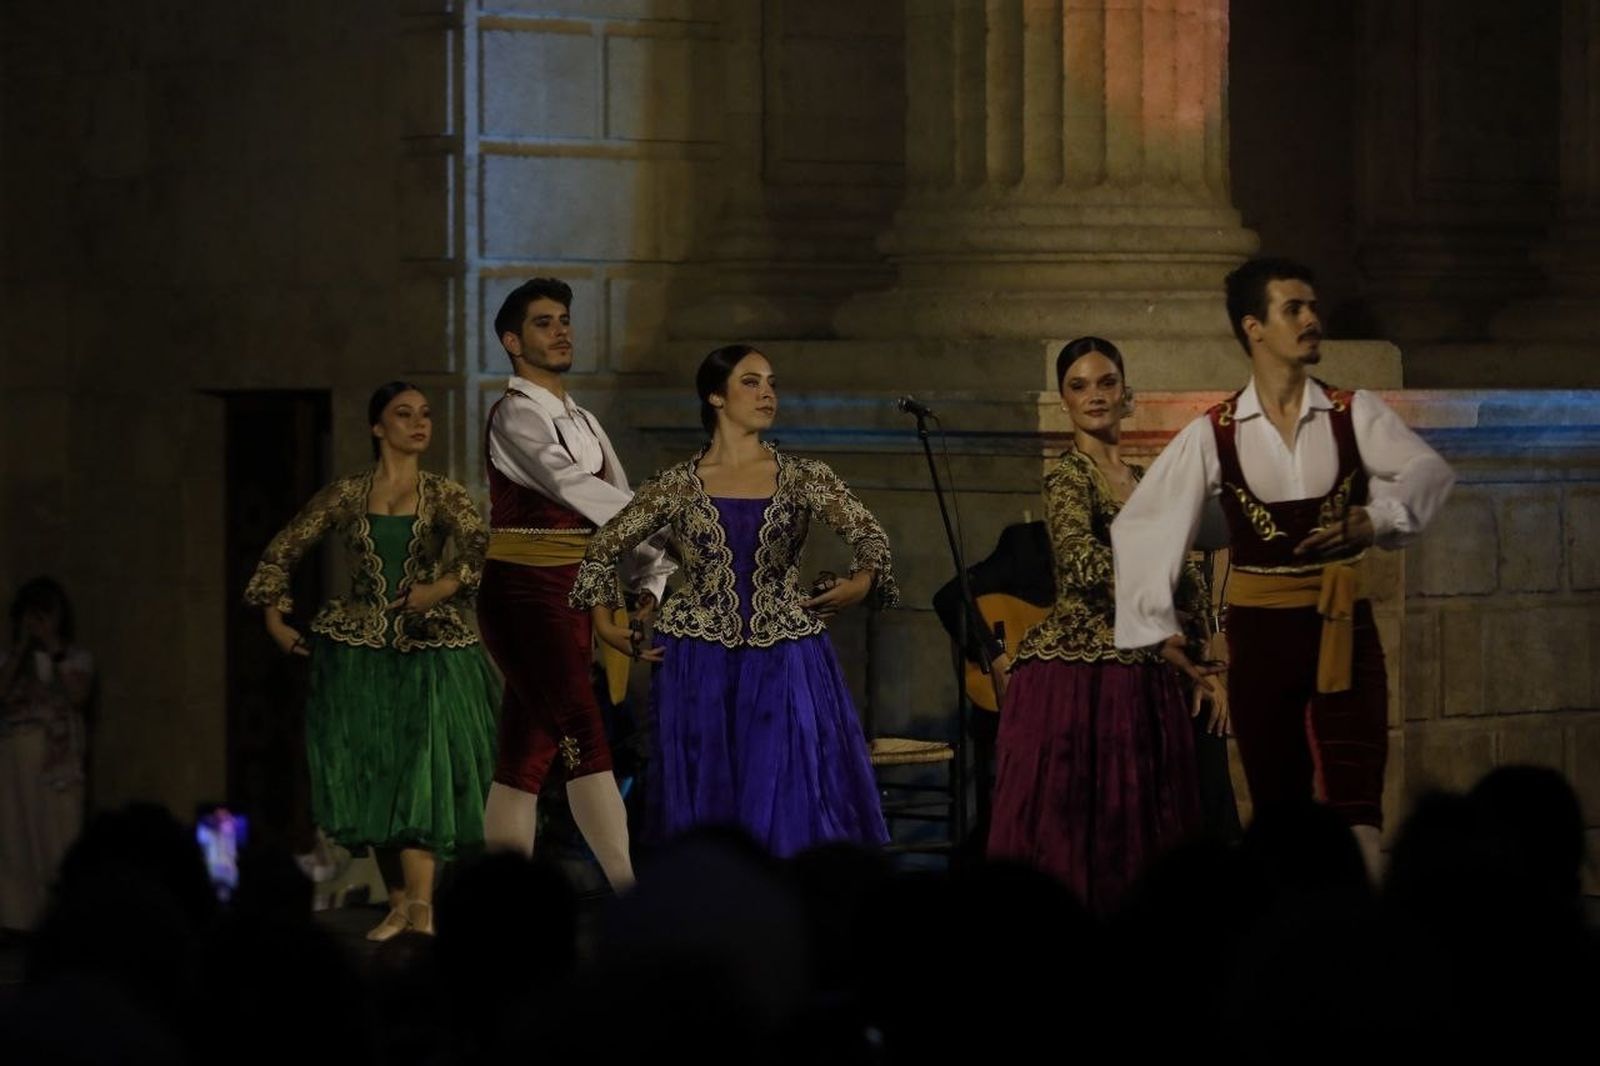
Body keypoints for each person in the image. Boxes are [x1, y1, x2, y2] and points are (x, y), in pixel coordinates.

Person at [1112, 257, 1455, 876]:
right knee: (1277, 795)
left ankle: (1363, 932)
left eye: (1313, 306)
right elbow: (1145, 522)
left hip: (1342, 624)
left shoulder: (1355, 412)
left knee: (1357, 790)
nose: (1312, 319)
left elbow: (1429, 472)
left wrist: (1377, 518)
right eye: (1293, 308)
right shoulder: (1214, 432)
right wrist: (1157, 625)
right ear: (1254, 328)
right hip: (1262, 631)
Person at [571, 345, 892, 857]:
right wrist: (606, 623)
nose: (767, 392)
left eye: (771, 382)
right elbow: (602, 548)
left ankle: (792, 919)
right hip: (699, 660)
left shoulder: (805, 476)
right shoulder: (676, 485)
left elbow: (871, 537)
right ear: (715, 396)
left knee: (789, 784)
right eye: (750, 381)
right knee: (710, 792)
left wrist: (863, 580)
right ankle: (716, 913)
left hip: (787, 653)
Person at [244, 381, 498, 938]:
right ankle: (401, 902)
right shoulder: (346, 494)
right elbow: (284, 546)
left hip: (426, 647)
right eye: (404, 414)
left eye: (425, 414)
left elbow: (481, 548)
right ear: (378, 427)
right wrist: (274, 619)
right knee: (377, 773)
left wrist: (444, 585)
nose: (419, 423)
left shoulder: (444, 494)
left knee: (419, 773)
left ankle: (424, 904)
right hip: (360, 653)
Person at [985, 338, 1215, 910]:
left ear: (1125, 392)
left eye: (1106, 382)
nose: (1095, 395)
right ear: (1064, 400)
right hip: (1076, 678)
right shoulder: (1069, 476)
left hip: (1145, 675)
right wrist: (1155, 592)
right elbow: (1081, 560)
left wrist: (1211, 639)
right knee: (1077, 840)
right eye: (1079, 385)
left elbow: (1190, 576)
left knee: (1145, 845)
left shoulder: (1143, 479)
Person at [475, 278, 672, 891]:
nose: (561, 331)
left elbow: (621, 499)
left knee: (525, 758)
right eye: (543, 322)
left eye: (564, 319)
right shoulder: (515, 414)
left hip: (575, 592)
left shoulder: (582, 418)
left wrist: (649, 585)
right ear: (513, 341)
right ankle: (629, 892)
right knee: (584, 732)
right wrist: (670, 522)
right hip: (525, 592)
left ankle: (501, 902)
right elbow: (575, 488)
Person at [0, 577, 93, 933]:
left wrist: (53, 648)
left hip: (58, 768)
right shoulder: (10, 659)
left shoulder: (76, 657)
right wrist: (24, 645)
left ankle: (62, 921)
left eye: (45, 614)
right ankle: (16, 922)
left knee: (58, 839)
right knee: (14, 840)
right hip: (14, 766)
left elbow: (77, 696)